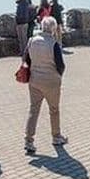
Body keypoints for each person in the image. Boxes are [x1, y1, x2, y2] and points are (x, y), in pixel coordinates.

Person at [23, 17, 68, 154]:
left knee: (33, 110)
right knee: (54, 110)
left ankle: (28, 140)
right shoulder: (53, 44)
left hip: (35, 81)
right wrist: (59, 75)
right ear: (53, 29)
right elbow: (60, 65)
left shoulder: (31, 40)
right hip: (51, 81)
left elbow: (25, 59)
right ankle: (56, 136)